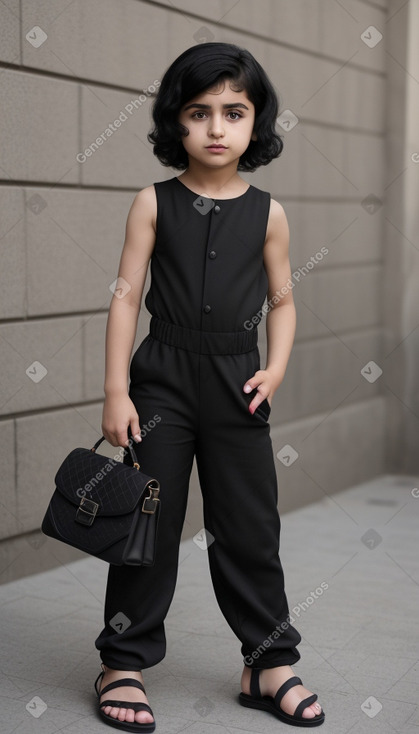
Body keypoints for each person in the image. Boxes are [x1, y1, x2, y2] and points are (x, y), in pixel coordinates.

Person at [93, 42, 325, 732]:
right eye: (199, 113)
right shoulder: (152, 203)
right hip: (160, 382)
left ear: (256, 124)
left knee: (249, 527)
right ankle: (122, 661)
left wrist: (275, 368)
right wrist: (115, 390)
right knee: (148, 523)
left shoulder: (269, 214)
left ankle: (267, 663)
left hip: (236, 385)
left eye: (234, 111)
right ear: (174, 122)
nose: (216, 128)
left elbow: (281, 303)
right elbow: (125, 298)